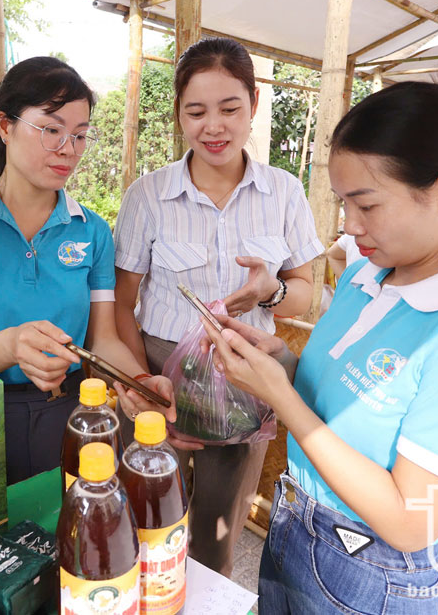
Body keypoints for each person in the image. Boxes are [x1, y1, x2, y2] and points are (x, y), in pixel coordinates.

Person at [203, 75, 438, 613]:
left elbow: (412, 522)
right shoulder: (370, 275)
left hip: (370, 576)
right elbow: (344, 401)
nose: (349, 225)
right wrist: (283, 365)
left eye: (366, 205)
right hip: (296, 527)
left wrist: (284, 400)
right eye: (344, 204)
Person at [112, 37, 324, 577]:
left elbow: (307, 290)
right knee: (147, 516)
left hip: (244, 384)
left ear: (253, 104)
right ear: (179, 114)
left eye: (230, 108)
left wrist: (268, 292)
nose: (215, 126)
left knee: (217, 528)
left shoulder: (284, 192)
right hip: (160, 374)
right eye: (197, 111)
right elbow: (122, 304)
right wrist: (142, 386)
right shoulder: (147, 196)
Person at [0, 56, 172, 485]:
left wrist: (140, 381)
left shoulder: (90, 230)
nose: (68, 149)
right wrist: (12, 346)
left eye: (80, 135)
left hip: (70, 415)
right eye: (51, 130)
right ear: (4, 126)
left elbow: (102, 339)